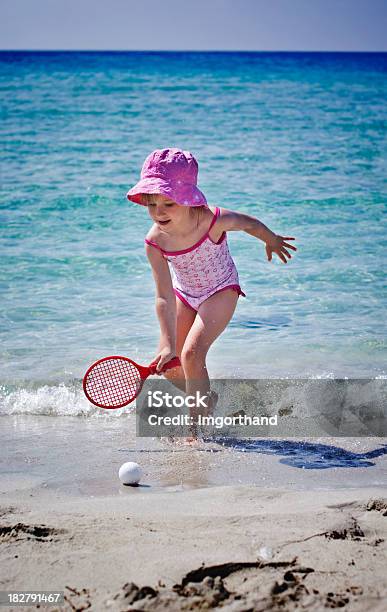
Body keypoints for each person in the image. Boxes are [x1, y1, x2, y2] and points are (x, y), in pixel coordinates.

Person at [127, 148, 297, 435]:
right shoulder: (154, 242)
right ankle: (207, 398)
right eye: (152, 204)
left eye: (168, 203)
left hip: (221, 289)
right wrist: (168, 343)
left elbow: (248, 224)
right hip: (185, 295)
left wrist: (272, 240)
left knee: (192, 354)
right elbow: (163, 296)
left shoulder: (211, 220)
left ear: (187, 199)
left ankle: (196, 429)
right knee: (169, 364)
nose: (159, 212)